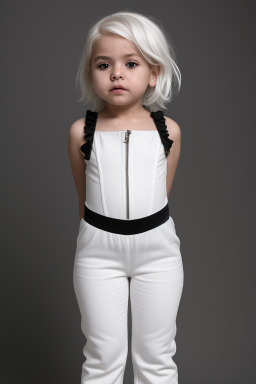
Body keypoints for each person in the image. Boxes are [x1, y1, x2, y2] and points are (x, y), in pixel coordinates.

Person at [68, 10, 184, 384]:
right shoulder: (80, 132)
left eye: (130, 63)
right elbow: (83, 200)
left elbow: (161, 197)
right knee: (102, 358)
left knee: (157, 359)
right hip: (98, 253)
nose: (117, 73)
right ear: (91, 74)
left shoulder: (169, 131)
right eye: (104, 64)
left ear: (153, 73)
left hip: (158, 251)